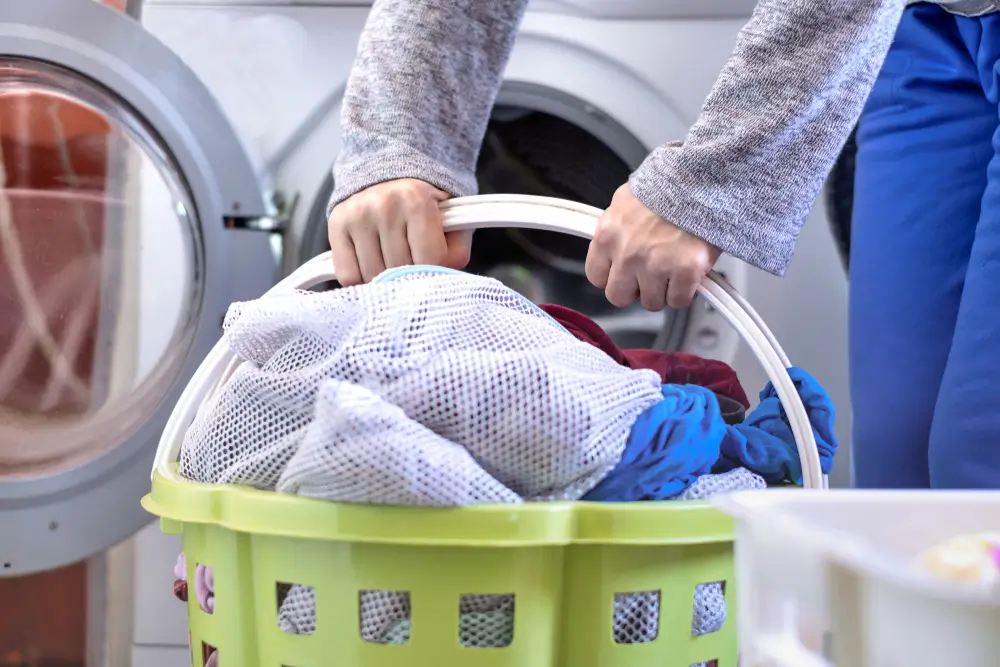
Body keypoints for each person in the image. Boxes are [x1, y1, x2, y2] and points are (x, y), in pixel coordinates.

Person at [326, 0, 1000, 490]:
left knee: (979, 452)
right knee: (899, 461)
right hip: (920, 28)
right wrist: (399, 141)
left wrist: (712, 184)